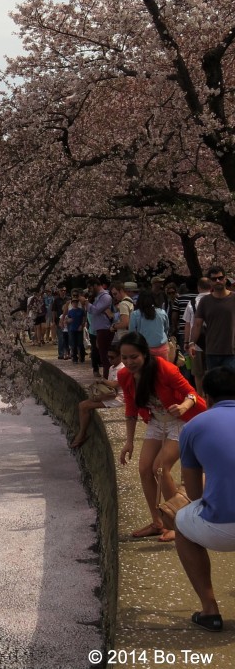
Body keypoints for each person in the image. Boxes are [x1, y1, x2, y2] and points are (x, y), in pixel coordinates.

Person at [118, 331, 206, 542]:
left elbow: (192, 394)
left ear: (145, 355)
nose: (129, 362)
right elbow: (131, 409)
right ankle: (158, 522)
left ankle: (178, 523)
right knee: (144, 469)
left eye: (134, 357)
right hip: (157, 422)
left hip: (181, 421)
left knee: (160, 467)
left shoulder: (164, 368)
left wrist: (184, 406)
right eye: (124, 358)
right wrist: (129, 441)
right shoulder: (124, 376)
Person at [174, 366, 235, 631]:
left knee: (181, 524)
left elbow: (195, 494)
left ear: (206, 397)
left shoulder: (193, 426)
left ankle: (210, 610)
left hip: (221, 528)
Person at [70, 346, 124, 448]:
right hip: (111, 396)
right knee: (86, 403)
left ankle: (82, 434)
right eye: (108, 357)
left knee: (83, 406)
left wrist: (102, 380)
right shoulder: (112, 368)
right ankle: (81, 432)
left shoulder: (122, 368)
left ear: (120, 356)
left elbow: (114, 385)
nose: (109, 359)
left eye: (112, 357)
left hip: (118, 399)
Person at [190, 265, 235, 373]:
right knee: (214, 386)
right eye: (214, 279)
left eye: (220, 278)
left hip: (232, 351)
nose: (218, 281)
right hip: (212, 351)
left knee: (231, 386)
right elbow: (197, 325)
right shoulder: (205, 301)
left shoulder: (233, 298)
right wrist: (191, 343)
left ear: (225, 279)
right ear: (210, 281)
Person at [128, 289, 170, 359]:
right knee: (163, 369)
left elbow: (132, 333)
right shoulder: (162, 312)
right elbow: (166, 329)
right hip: (162, 349)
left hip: (144, 350)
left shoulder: (135, 314)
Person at [88, 275, 114, 378]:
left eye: (90, 287)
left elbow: (95, 310)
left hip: (105, 328)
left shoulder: (105, 297)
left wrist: (86, 303)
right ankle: (107, 377)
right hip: (98, 329)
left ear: (95, 285)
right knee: (102, 355)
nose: (89, 290)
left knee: (105, 357)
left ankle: (107, 378)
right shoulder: (98, 297)